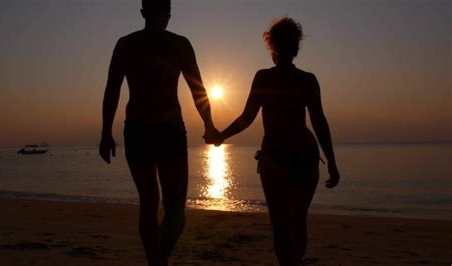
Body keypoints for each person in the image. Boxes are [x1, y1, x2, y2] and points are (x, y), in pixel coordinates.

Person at [209, 17, 340, 265]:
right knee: (298, 221)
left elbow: (246, 118)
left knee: (280, 223)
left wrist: (220, 137)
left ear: (272, 47)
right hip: (305, 155)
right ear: (296, 47)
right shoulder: (307, 80)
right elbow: (320, 124)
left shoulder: (264, 78)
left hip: (276, 158)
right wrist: (332, 163)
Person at [98, 0, 218, 265]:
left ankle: (156, 260)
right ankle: (158, 260)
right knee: (172, 209)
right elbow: (198, 89)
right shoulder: (176, 44)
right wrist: (208, 125)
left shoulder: (127, 44)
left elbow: (112, 90)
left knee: (151, 204)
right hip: (163, 129)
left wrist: (106, 132)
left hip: (143, 129)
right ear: (167, 14)